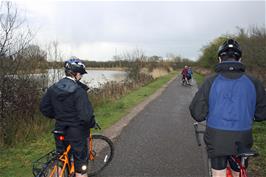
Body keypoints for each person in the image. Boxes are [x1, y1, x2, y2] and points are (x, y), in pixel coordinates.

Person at [189, 39, 266, 177]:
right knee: (239, 170)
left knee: (219, 173)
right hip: (243, 136)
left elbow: (197, 113)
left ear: (220, 58)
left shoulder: (210, 81)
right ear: (240, 58)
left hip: (217, 137)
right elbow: (262, 114)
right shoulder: (254, 82)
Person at [40, 58, 95, 177]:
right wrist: (91, 123)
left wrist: (59, 116)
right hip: (76, 133)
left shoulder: (53, 88)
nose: (81, 77)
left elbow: (44, 108)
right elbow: (86, 116)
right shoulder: (79, 91)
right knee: (81, 166)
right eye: (81, 74)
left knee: (61, 158)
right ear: (77, 74)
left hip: (59, 129)